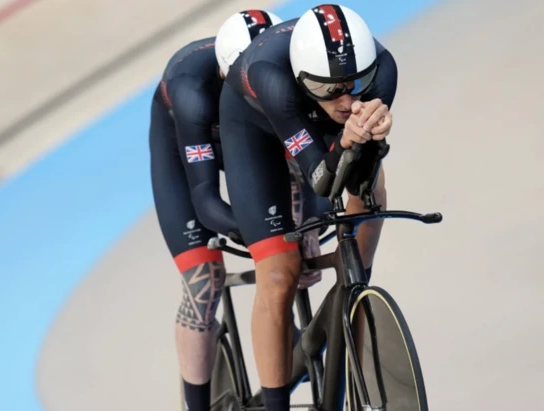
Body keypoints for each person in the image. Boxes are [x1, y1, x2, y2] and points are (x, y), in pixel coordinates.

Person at [218, 4, 397, 410]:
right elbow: (319, 177)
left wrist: (369, 141)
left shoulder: (383, 70)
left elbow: (361, 174)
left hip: (313, 117)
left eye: (358, 85)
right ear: (303, 79)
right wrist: (348, 141)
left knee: (376, 188)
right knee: (280, 275)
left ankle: (355, 287)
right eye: (333, 90)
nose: (349, 99)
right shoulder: (271, 77)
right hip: (256, 129)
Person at [147, 10, 282, 411]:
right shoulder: (192, 91)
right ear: (226, 78)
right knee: (205, 281)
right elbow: (206, 202)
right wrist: (258, 234)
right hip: (184, 150)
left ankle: (287, 338)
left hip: (245, 139)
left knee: (292, 252)